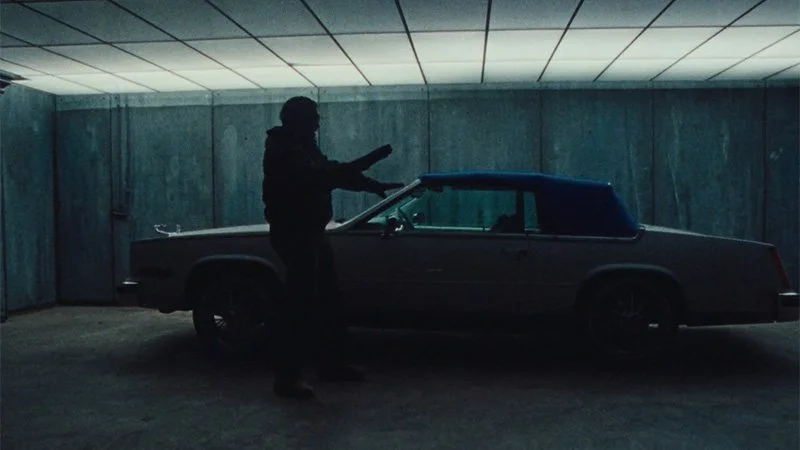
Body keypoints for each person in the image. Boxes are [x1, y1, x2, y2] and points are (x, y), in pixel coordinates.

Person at [262, 96, 402, 400]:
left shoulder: (302, 146)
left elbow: (330, 172)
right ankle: (287, 378)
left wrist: (370, 184)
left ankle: (331, 365)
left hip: (310, 232)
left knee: (328, 300)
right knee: (299, 305)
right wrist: (369, 161)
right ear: (298, 120)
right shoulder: (284, 150)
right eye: (313, 117)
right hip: (296, 234)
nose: (318, 122)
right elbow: (323, 176)